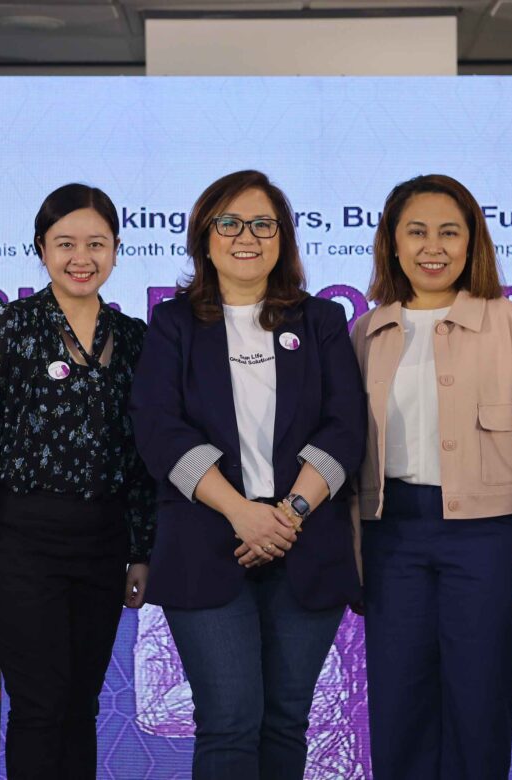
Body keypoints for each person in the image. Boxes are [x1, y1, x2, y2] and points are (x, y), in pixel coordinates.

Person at [130, 170, 366, 780]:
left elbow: (344, 427)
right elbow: (160, 430)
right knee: (231, 722)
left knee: (287, 721)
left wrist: (288, 515)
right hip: (207, 545)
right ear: (204, 238)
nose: (246, 237)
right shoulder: (173, 324)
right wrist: (242, 513)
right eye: (229, 223)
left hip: (305, 539)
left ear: (283, 238)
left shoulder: (319, 321)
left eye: (264, 224)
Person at [351, 174, 512, 779]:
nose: (432, 246)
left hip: (489, 540)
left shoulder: (508, 324)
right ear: (391, 243)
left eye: (449, 232)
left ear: (473, 244)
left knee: (480, 706)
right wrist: (352, 553)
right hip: (392, 539)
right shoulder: (366, 331)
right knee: (400, 707)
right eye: (416, 232)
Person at [0, 183, 156, 779]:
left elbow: (141, 455)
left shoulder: (138, 337)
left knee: (81, 706)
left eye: (96, 243)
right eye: (65, 243)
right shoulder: (7, 325)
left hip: (104, 543)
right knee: (41, 705)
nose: (80, 258)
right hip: (22, 543)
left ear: (117, 249)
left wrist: (140, 551)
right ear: (41, 248)